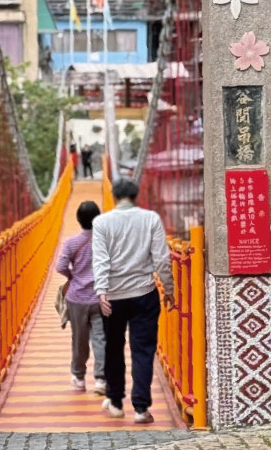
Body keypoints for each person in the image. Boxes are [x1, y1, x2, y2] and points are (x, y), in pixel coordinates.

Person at [91, 178, 173, 424]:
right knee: (143, 350)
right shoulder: (151, 219)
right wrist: (169, 288)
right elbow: (161, 258)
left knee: (113, 349)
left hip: (113, 297)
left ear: (114, 196)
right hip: (144, 294)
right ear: (136, 196)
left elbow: (101, 260)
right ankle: (141, 408)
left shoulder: (101, 222)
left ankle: (116, 403)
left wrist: (101, 291)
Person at [55, 200, 106, 394]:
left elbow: (60, 266)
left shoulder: (71, 243)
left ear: (78, 219)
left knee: (79, 340)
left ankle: (78, 378)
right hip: (100, 297)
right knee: (101, 339)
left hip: (77, 299)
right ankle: (101, 380)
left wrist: (73, 277)